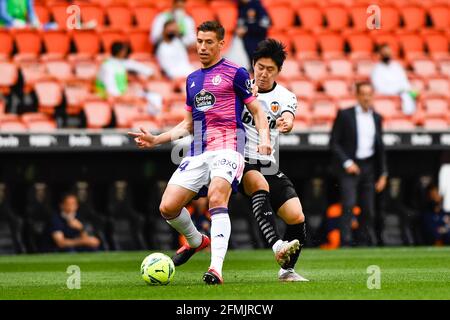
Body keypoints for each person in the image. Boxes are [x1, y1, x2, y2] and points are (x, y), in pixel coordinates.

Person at [129, 21, 297, 285]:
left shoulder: (236, 72)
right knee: (167, 207)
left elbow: (257, 111)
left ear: (221, 44)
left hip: (229, 147)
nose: (203, 47)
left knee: (217, 198)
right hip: (198, 150)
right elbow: (187, 124)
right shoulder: (192, 80)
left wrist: (265, 139)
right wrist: (156, 139)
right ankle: (197, 241)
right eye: (199, 41)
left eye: (209, 42)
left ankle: (215, 269)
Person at [239, 39, 308, 282]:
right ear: (253, 65)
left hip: (268, 162)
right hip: (239, 160)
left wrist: (287, 123)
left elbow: (288, 117)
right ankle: (276, 245)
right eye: (260, 67)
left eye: (270, 69)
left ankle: (287, 271)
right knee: (259, 184)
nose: (263, 73)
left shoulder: (286, 96)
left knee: (296, 216)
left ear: (278, 71)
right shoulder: (240, 88)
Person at [330, 81, 388, 247]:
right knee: (348, 205)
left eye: (369, 94)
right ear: (357, 95)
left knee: (368, 208)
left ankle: (364, 242)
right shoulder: (345, 114)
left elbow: (380, 147)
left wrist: (383, 173)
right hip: (350, 167)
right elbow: (334, 142)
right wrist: (347, 162)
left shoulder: (377, 118)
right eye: (363, 94)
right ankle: (345, 242)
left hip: (369, 167)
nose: (367, 98)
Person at [95, 41, 162, 116]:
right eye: (124, 51)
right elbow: (109, 86)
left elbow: (136, 66)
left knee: (154, 96)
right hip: (108, 95)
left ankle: (155, 119)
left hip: (123, 93)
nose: (126, 53)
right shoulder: (107, 66)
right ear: (120, 52)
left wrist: (150, 73)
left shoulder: (121, 63)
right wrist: (121, 97)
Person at [370, 43, 417, 115]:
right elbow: (379, 87)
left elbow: (404, 81)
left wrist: (406, 89)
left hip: (403, 92)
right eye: (384, 52)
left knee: (413, 93)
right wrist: (397, 90)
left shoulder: (397, 66)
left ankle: (411, 115)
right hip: (386, 95)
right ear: (380, 54)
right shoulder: (376, 69)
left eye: (388, 52)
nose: (387, 54)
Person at [236, 0, 271, 68]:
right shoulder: (241, 7)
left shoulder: (258, 6)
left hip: (258, 40)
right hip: (246, 41)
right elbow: (240, 22)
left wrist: (247, 29)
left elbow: (264, 25)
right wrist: (239, 29)